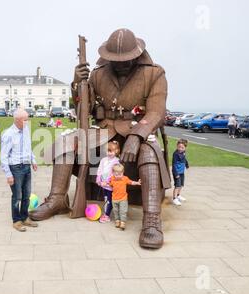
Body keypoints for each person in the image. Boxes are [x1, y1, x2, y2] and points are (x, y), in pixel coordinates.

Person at [29, 28, 171, 249]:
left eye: (126, 60)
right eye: (117, 60)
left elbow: (156, 112)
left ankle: (152, 218)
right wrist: (77, 83)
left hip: (137, 129)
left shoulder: (155, 73)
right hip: (104, 130)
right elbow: (82, 109)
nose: (121, 64)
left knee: (148, 152)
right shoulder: (98, 73)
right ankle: (57, 198)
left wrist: (137, 136)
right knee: (67, 141)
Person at [0, 108, 39, 232]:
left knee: (26, 195)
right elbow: (3, 156)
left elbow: (28, 147)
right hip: (15, 168)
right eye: (25, 120)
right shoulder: (8, 134)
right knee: (17, 196)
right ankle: (16, 220)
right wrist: (8, 174)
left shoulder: (26, 129)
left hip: (26, 166)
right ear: (17, 120)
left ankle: (25, 217)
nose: (27, 122)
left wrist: (33, 160)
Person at [107, 163, 141, 230]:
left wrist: (137, 183)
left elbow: (131, 182)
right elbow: (109, 185)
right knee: (116, 211)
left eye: (120, 174)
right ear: (113, 173)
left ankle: (122, 222)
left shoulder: (124, 178)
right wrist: (104, 183)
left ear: (123, 172)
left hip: (123, 198)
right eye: (116, 174)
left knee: (123, 211)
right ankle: (117, 220)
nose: (119, 176)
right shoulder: (112, 179)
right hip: (114, 198)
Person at [95, 141, 121, 223]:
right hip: (103, 184)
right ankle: (106, 212)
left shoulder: (116, 161)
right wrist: (99, 178)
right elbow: (100, 169)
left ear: (116, 151)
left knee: (109, 200)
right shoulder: (103, 160)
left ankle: (107, 216)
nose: (109, 153)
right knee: (106, 198)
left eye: (111, 151)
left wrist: (107, 182)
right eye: (108, 151)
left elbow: (114, 173)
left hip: (110, 185)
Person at [172, 140, 189, 206]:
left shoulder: (183, 152)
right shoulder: (175, 154)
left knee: (181, 185)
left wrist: (187, 165)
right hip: (177, 172)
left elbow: (184, 159)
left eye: (182, 147)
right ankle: (174, 198)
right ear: (177, 146)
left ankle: (178, 195)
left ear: (185, 148)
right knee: (177, 185)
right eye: (179, 147)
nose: (180, 149)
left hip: (182, 172)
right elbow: (173, 165)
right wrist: (176, 174)